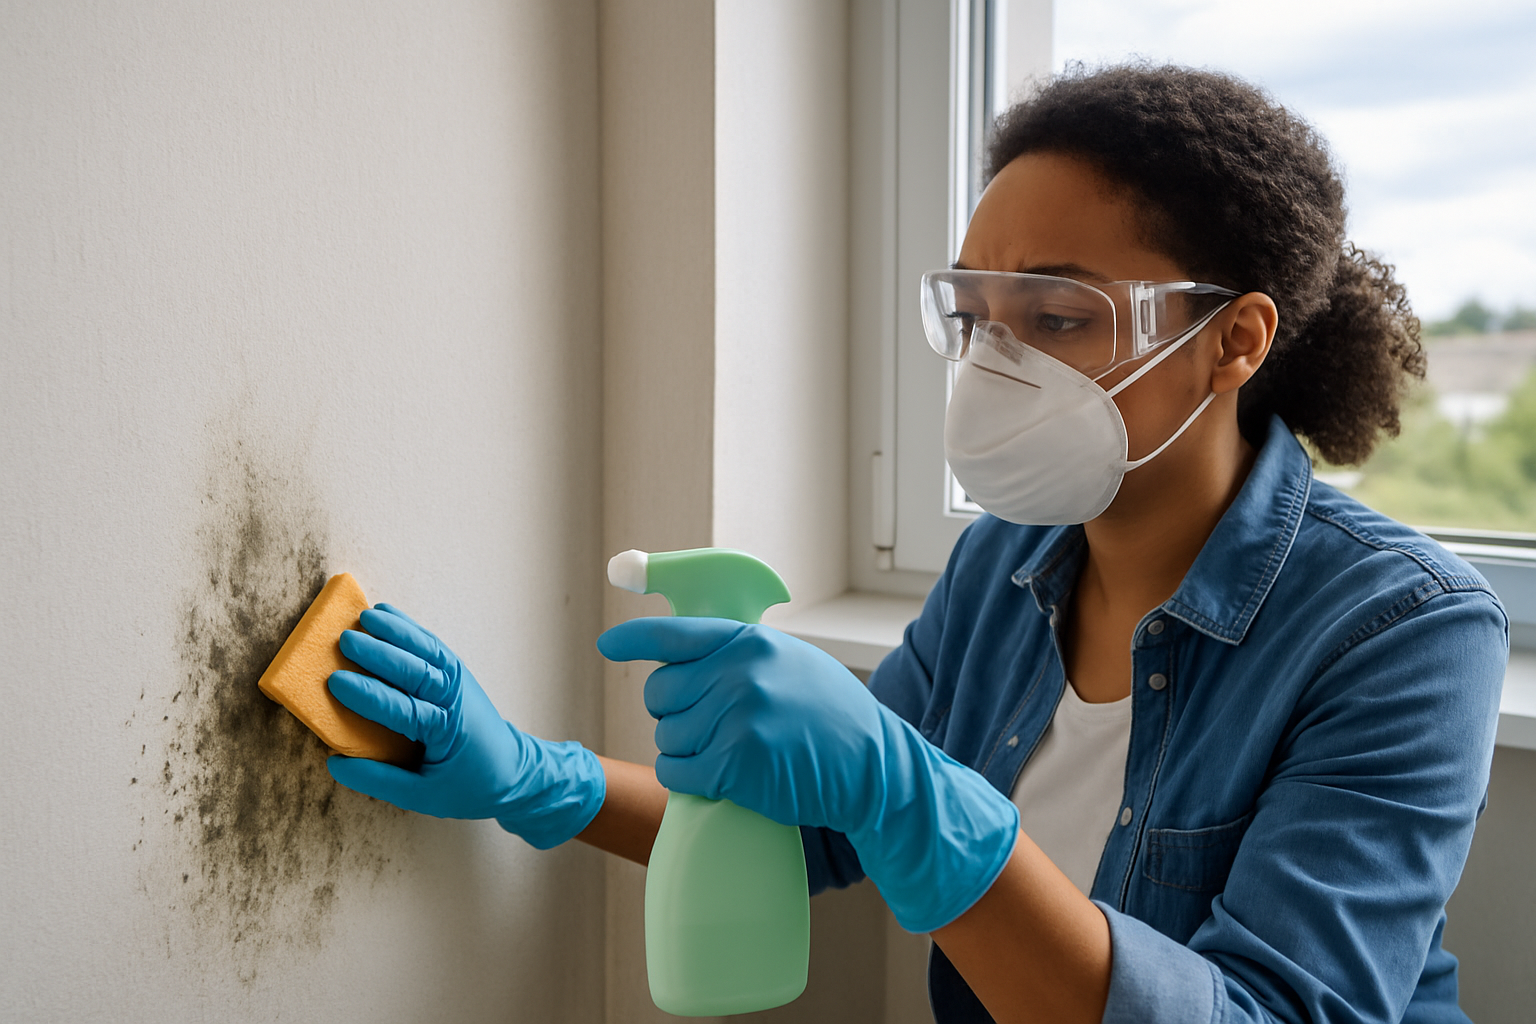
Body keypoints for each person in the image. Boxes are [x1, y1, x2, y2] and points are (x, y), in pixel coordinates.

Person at [324, 65, 1508, 1024]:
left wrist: (917, 795)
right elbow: (831, 831)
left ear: (1235, 339)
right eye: (980, 317)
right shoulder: (1009, 557)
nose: (999, 369)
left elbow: (1272, 1011)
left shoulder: (1406, 632)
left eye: (1056, 316)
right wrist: (535, 777)